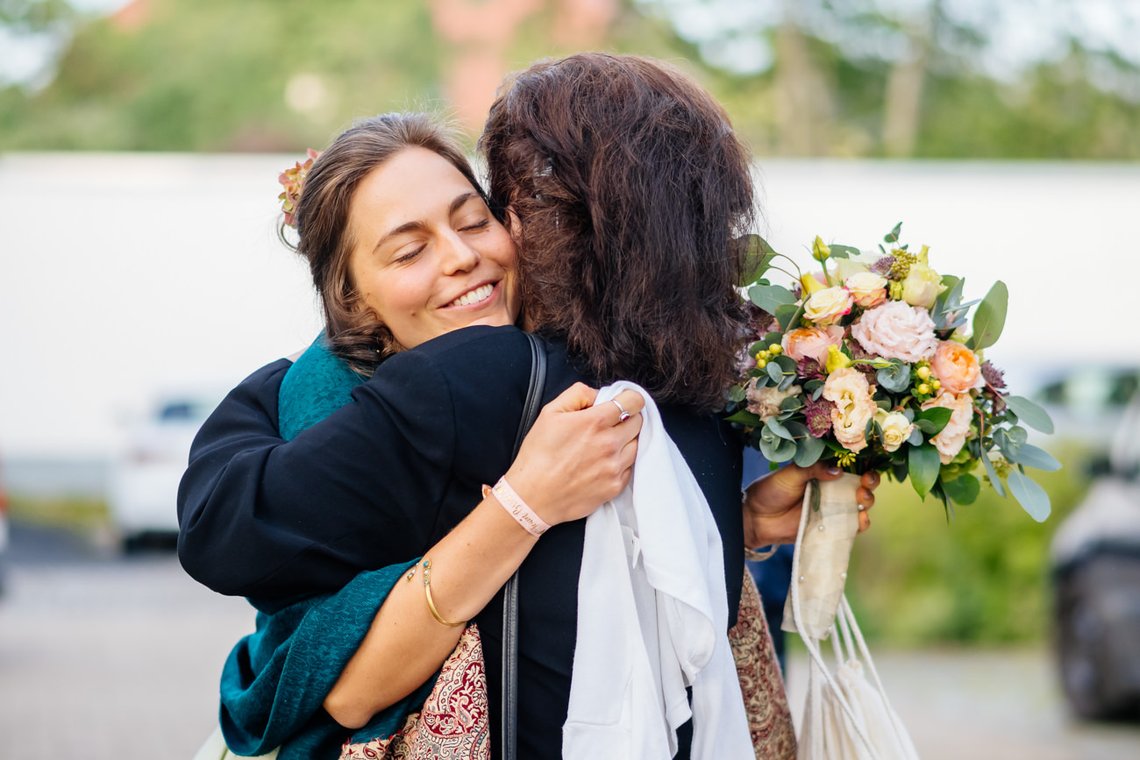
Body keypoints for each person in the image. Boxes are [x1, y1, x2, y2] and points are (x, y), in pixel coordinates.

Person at [179, 54, 878, 758]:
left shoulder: (615, 375)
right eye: (408, 249)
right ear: (351, 299)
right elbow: (337, 684)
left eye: (473, 220)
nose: (460, 257)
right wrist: (523, 503)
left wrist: (738, 515)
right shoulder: (298, 402)